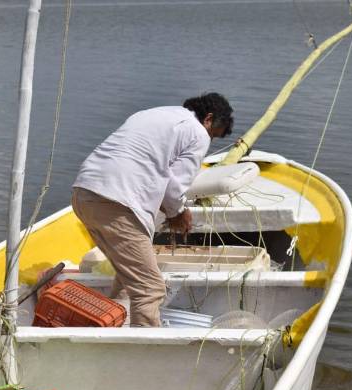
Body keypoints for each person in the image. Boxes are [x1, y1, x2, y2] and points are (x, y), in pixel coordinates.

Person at [71, 92, 234, 327]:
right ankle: (144, 353)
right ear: (208, 119)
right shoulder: (198, 132)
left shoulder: (153, 114)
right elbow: (174, 188)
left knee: (129, 279)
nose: (210, 140)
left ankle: (112, 330)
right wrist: (178, 213)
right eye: (213, 134)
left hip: (84, 194)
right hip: (117, 202)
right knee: (150, 288)